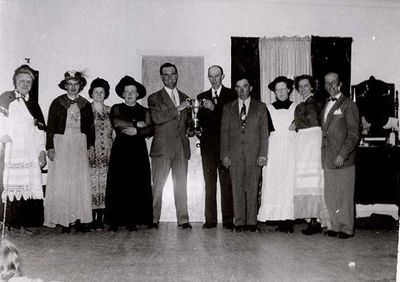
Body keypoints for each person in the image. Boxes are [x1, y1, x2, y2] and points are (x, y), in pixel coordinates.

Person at [44, 71, 95, 233]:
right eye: (70, 84)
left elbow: (90, 128)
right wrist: (50, 147)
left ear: (80, 86)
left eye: (76, 84)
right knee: (62, 181)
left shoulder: (86, 105)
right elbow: (50, 126)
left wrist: (91, 146)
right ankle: (64, 220)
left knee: (78, 181)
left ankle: (77, 219)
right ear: (65, 86)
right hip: (62, 144)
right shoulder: (57, 103)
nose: (73, 87)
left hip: (79, 144)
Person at [0, 65, 46, 235]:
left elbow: (39, 130)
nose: (25, 84)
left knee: (28, 186)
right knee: (11, 186)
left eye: (28, 82)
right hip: (13, 149)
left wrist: (41, 150)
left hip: (30, 151)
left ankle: (22, 226)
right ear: (15, 82)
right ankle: (10, 225)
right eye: (22, 81)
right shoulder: (6, 98)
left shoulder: (33, 104)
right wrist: (3, 134)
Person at [220, 76, 268, 232]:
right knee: (237, 188)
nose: (241, 90)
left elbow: (264, 133)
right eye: (238, 87)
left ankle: (251, 222)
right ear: (235, 89)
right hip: (234, 155)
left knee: (253, 188)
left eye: (245, 86)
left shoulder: (260, 107)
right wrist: (224, 155)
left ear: (251, 88)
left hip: (254, 155)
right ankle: (239, 222)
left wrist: (263, 154)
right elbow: (224, 133)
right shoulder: (228, 107)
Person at [148, 63, 193, 229]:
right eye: (165, 75)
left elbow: (187, 122)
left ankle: (183, 220)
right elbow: (157, 118)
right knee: (158, 186)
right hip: (162, 148)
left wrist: (191, 129)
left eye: (172, 74)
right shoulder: (154, 98)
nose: (169, 77)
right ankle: (153, 220)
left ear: (177, 75)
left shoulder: (186, 97)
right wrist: (178, 108)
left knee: (181, 186)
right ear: (161, 77)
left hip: (181, 148)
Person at [105, 76, 153, 232]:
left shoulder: (145, 111)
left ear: (138, 94)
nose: (130, 94)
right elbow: (117, 123)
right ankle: (115, 221)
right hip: (121, 150)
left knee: (135, 184)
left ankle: (133, 220)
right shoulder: (116, 108)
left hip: (138, 151)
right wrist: (136, 124)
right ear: (123, 94)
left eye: (133, 91)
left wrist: (137, 131)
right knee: (118, 183)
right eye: (127, 92)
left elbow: (150, 129)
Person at [321, 72, 360, 239]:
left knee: (344, 194)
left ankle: (346, 228)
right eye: (327, 83)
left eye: (333, 82)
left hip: (343, 158)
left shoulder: (348, 104)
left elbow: (353, 134)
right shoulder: (325, 104)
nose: (330, 86)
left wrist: (343, 154)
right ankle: (335, 226)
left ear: (340, 84)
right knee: (331, 194)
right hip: (328, 157)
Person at [197, 65, 236, 229]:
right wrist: (197, 129)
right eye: (210, 76)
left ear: (223, 76)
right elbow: (199, 119)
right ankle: (210, 220)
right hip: (207, 147)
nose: (214, 79)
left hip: (226, 146)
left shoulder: (232, 94)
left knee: (227, 183)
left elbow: (232, 119)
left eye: (217, 76)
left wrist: (215, 108)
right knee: (209, 183)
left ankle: (228, 220)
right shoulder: (201, 96)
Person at [257, 76, 297, 233]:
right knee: (274, 181)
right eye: (277, 89)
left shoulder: (297, 107)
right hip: (274, 148)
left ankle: (289, 219)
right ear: (274, 91)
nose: (280, 91)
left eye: (283, 88)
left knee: (289, 182)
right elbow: (264, 131)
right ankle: (276, 216)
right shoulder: (267, 108)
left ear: (289, 90)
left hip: (291, 149)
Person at [293, 74, 329, 235]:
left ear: (312, 86)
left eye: (305, 86)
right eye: (300, 87)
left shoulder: (320, 104)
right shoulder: (298, 107)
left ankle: (317, 220)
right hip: (302, 143)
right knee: (304, 180)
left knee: (316, 180)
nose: (302, 89)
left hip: (315, 141)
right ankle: (309, 217)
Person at [88, 78, 113, 231]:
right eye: (96, 92)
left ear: (105, 94)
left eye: (101, 92)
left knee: (104, 185)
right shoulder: (86, 110)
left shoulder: (111, 111)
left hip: (107, 152)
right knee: (91, 184)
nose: (98, 94)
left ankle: (101, 218)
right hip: (91, 152)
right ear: (91, 93)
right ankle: (90, 218)